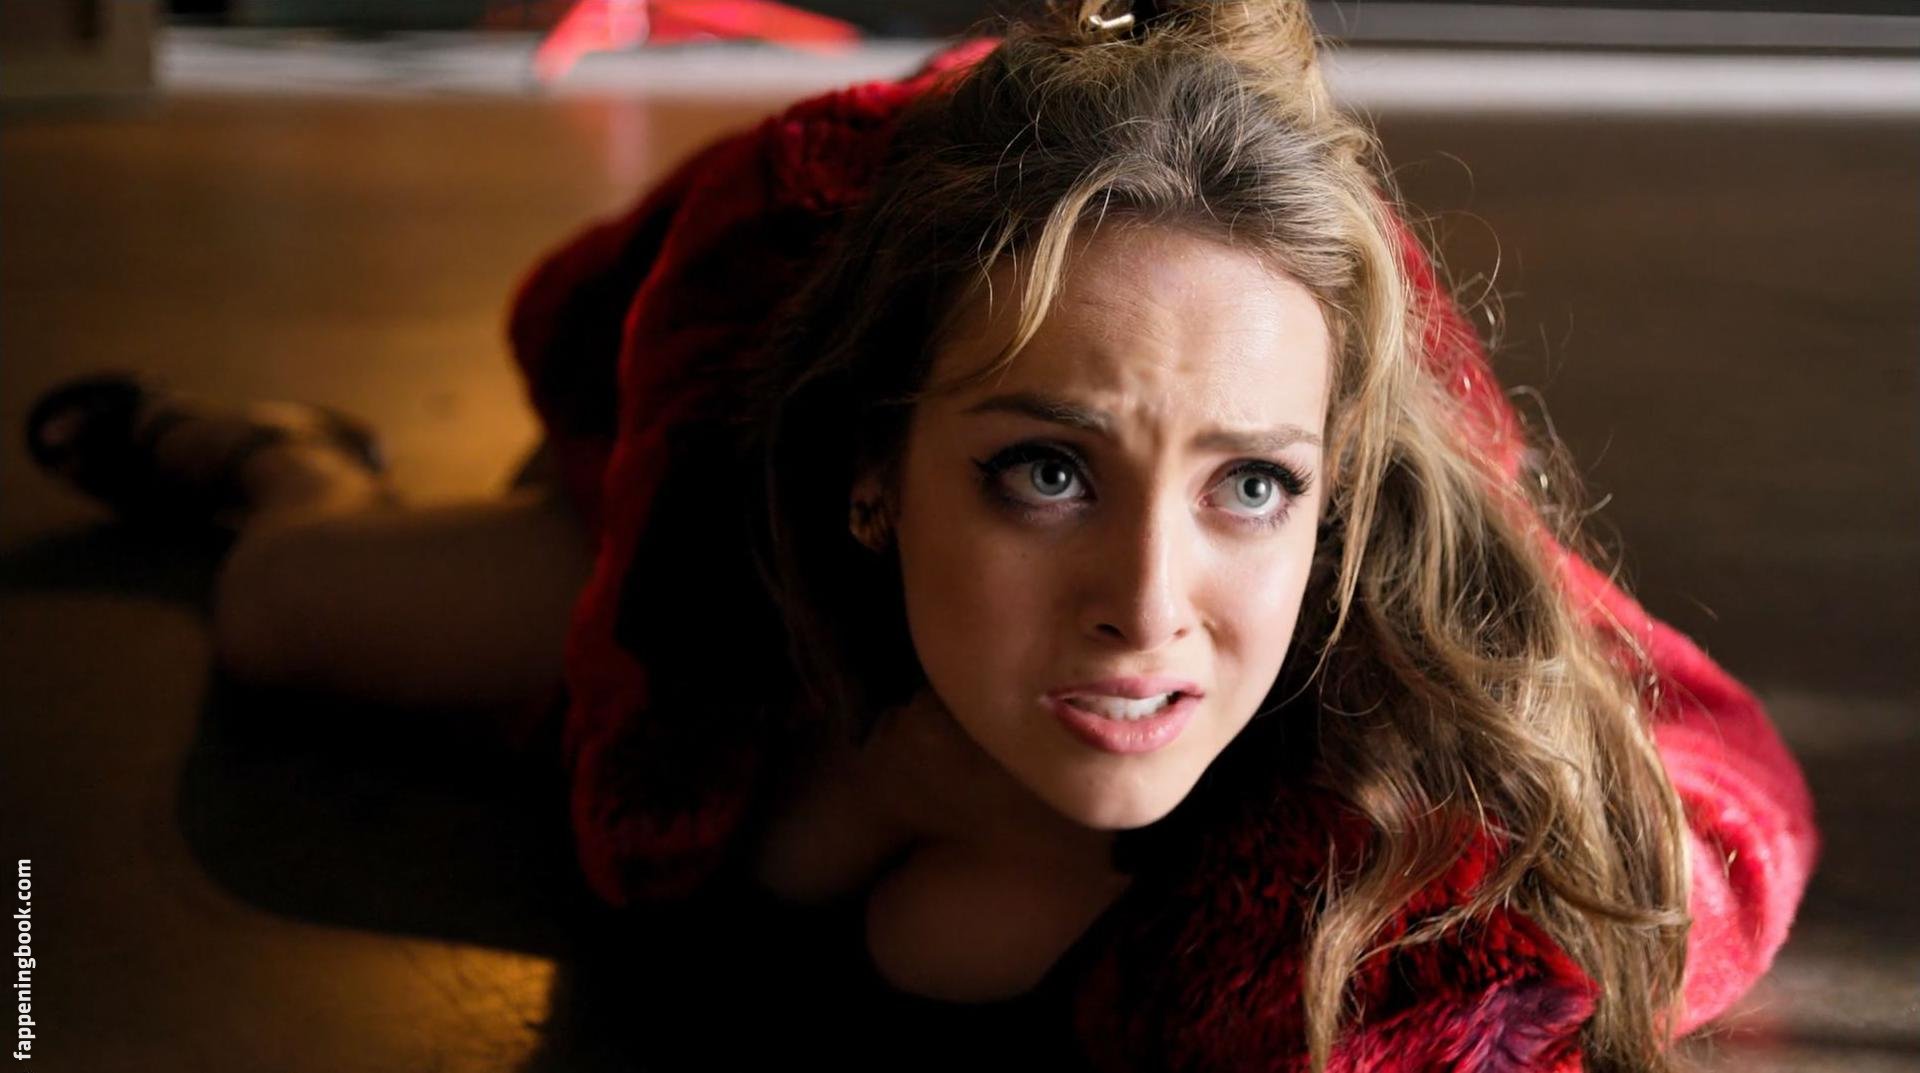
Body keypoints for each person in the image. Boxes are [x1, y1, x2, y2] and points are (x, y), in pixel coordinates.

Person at [24, 2, 1818, 1070]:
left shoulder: (1407, 631)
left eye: (1251, 486)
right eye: (1048, 474)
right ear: (875, 475)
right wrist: (860, 790)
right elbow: (656, 816)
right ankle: (292, 456)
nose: (1147, 607)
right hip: (726, 419)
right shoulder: (759, 454)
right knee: (282, 605)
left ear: (1334, 490)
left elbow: (1719, 814)